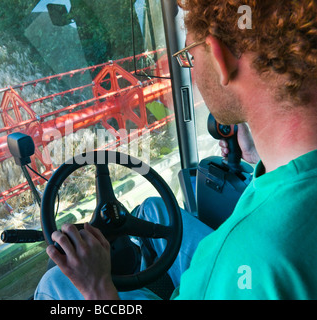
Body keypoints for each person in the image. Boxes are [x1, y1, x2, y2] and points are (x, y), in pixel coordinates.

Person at [34, 0, 317, 300]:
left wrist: (97, 288)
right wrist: (254, 159)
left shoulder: (247, 260)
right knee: (155, 210)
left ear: (220, 57)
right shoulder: (290, 176)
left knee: (56, 284)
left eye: (189, 57)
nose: (191, 73)